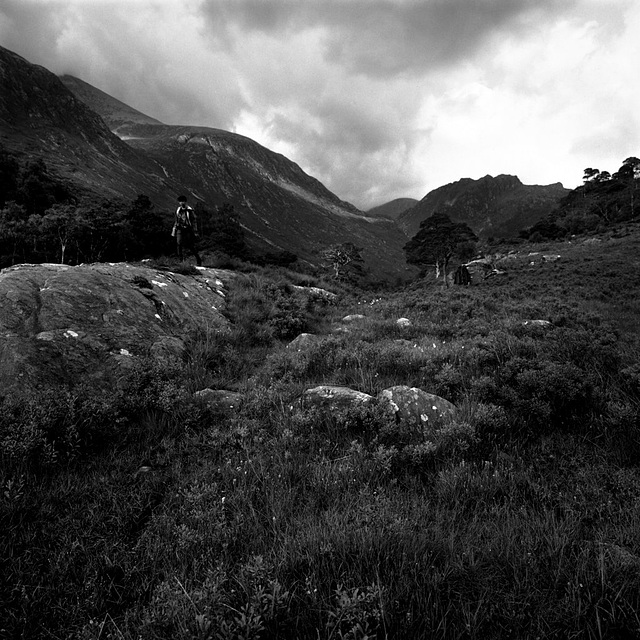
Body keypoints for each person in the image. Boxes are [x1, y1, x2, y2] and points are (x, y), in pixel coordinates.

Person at [171, 195, 202, 265]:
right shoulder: (178, 210)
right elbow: (176, 220)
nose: (181, 203)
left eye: (182, 201)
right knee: (179, 243)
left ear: (185, 201)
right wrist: (174, 229)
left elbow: (194, 221)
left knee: (190, 245)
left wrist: (195, 231)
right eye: (180, 201)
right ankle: (180, 260)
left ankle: (198, 259)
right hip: (179, 228)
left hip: (188, 229)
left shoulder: (190, 210)